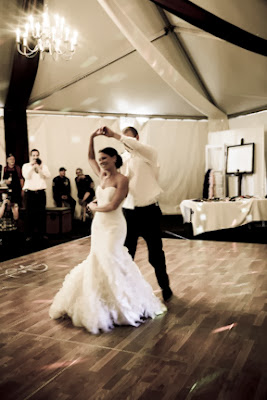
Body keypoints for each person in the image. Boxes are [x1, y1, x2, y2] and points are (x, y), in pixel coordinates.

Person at [49, 129, 167, 334]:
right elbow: (92, 159)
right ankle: (111, 299)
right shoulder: (108, 169)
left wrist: (95, 207)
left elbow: (113, 202)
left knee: (147, 255)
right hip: (112, 220)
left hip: (133, 216)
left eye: (105, 158)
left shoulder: (144, 158)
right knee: (112, 258)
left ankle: (155, 291)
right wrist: (91, 137)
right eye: (101, 158)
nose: (102, 161)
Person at [101, 126, 173, 302]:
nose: (125, 143)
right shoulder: (122, 159)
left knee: (155, 254)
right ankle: (125, 292)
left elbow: (136, 147)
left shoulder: (149, 155)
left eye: (128, 139)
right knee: (126, 253)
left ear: (137, 138)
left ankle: (165, 287)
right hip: (128, 213)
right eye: (124, 140)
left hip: (149, 211)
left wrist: (117, 136)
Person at [22, 149, 51, 242]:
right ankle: (29, 235)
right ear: (30, 156)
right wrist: (32, 167)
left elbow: (47, 176)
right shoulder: (26, 166)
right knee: (29, 214)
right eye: (33, 155)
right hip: (29, 193)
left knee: (41, 214)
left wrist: (39, 168)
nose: (35, 157)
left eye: (36, 155)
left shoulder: (43, 166)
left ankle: (42, 234)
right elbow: (27, 176)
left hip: (40, 193)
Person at [0, 192, 19, 260]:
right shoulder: (0, 205)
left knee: (12, 248)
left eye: (7, 198)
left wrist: (13, 207)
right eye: (4, 199)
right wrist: (3, 205)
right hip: (2, 228)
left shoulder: (14, 205)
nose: (6, 200)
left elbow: (16, 217)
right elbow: (0, 215)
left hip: (12, 228)